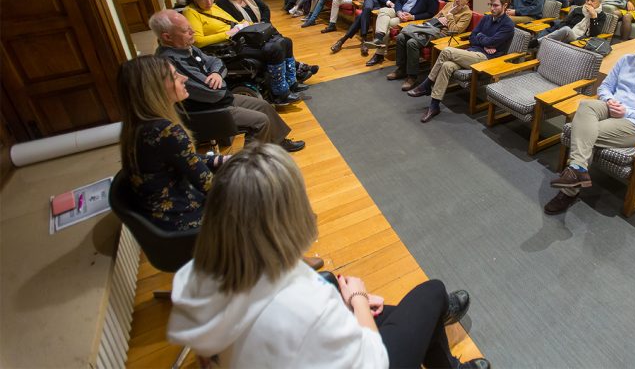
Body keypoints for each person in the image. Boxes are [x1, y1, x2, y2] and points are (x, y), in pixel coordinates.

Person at [167, 142, 490, 369]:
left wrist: (345, 303)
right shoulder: (304, 305)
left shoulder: (191, 278)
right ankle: (440, 329)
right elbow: (374, 362)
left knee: (365, 299)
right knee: (432, 292)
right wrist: (358, 300)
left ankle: (438, 340)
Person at [544, 19, 635, 215]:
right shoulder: (626, 60)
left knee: (585, 133)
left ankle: (569, 190)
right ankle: (578, 169)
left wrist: (626, 112)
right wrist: (610, 100)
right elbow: (605, 87)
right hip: (612, 107)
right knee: (585, 105)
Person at [150, 10, 305, 152]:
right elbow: (213, 92)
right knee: (261, 121)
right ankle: (246, 165)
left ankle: (278, 141)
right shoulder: (172, 61)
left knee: (264, 105)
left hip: (220, 100)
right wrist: (220, 79)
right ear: (167, 37)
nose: (192, 32)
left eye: (191, 27)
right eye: (185, 31)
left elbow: (216, 62)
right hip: (205, 111)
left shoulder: (186, 48)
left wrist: (216, 74)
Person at [117, 55, 222, 231]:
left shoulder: (141, 126)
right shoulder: (166, 131)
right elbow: (209, 186)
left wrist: (219, 160)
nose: (184, 78)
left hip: (159, 218)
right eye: (174, 76)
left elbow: (186, 159)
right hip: (183, 221)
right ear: (154, 88)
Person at [183, 0, 301, 102]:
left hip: (237, 40)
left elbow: (232, 22)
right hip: (226, 49)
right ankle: (280, 92)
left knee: (286, 41)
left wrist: (246, 24)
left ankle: (291, 82)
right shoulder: (190, 12)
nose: (209, 2)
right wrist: (227, 34)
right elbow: (197, 41)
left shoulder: (214, 7)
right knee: (274, 49)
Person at [408, 0, 515, 123]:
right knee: (447, 65)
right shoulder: (486, 18)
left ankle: (426, 84)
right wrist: (484, 40)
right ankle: (434, 106)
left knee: (447, 51)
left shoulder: (508, 25)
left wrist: (482, 38)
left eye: (496, 5)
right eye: (491, 5)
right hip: (472, 52)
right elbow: (472, 37)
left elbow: (490, 41)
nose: (492, 8)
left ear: (505, 6)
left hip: (487, 59)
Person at [387, 0, 473, 91]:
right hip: (431, 28)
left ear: (467, 0)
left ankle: (412, 76)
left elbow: (455, 31)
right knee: (401, 37)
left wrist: (449, 16)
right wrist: (439, 20)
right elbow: (434, 17)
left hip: (442, 34)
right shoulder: (449, 4)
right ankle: (401, 69)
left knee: (412, 42)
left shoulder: (467, 13)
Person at [364, 0, 439, 66]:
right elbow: (399, 1)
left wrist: (412, 17)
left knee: (388, 23)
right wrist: (399, 11)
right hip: (400, 11)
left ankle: (379, 54)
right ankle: (379, 37)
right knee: (383, 10)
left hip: (410, 17)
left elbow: (431, 13)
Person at [530, 0, 606, 49]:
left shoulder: (601, 16)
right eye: (587, 0)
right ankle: (542, 46)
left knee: (566, 29)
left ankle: (537, 42)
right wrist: (559, 32)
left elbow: (595, 34)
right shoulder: (578, 10)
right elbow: (564, 22)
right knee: (561, 29)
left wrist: (593, 17)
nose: (589, 2)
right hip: (566, 35)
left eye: (592, 0)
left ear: (599, 3)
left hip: (580, 40)